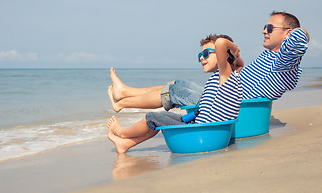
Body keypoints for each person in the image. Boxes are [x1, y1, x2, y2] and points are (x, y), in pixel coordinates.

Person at [108, 11, 310, 114]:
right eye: (264, 26)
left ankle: (124, 102)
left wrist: (299, 32)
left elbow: (301, 38)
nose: (264, 30)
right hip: (226, 95)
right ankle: (125, 92)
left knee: (176, 93)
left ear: (287, 34)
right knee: (181, 84)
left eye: (269, 27)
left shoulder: (286, 60)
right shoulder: (269, 57)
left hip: (229, 104)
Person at [107, 34, 243, 153]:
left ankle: (122, 133)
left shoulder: (225, 75)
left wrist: (234, 49)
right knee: (163, 119)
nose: (202, 58)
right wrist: (235, 56)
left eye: (206, 53)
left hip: (200, 133)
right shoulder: (233, 74)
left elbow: (220, 43)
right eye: (200, 55)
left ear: (224, 55)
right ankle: (125, 144)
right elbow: (239, 63)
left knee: (152, 117)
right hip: (200, 126)